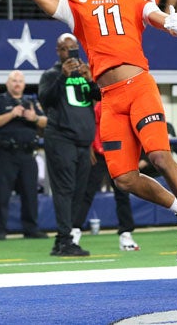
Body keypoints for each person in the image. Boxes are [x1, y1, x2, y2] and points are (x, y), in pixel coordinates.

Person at [0, 0, 177, 264]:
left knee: (160, 156)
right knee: (125, 179)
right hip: (110, 97)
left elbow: (155, 15)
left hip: (139, 84)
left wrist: (171, 23)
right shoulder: (77, 2)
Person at [38, 33, 100, 257]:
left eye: (73, 48)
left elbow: (100, 96)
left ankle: (65, 238)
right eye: (65, 49)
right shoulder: (52, 74)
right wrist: (62, 77)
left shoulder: (84, 72)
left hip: (84, 143)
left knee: (79, 192)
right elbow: (45, 99)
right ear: (58, 51)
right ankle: (65, 240)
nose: (69, 53)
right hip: (61, 139)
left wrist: (91, 79)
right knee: (64, 190)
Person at [0, 70, 48, 241]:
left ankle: (31, 228)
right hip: (7, 153)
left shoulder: (32, 101)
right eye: (14, 80)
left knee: (30, 193)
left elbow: (47, 122)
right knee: (2, 194)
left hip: (28, 154)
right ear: (8, 83)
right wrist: (12, 114)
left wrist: (33, 117)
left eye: (20, 81)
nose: (17, 84)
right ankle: (0, 229)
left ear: (24, 84)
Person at [71, 100, 140, 252]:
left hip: (119, 154)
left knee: (122, 194)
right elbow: (91, 128)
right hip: (99, 154)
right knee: (86, 193)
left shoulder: (123, 105)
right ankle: (74, 231)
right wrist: (90, 148)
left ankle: (126, 234)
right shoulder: (99, 106)